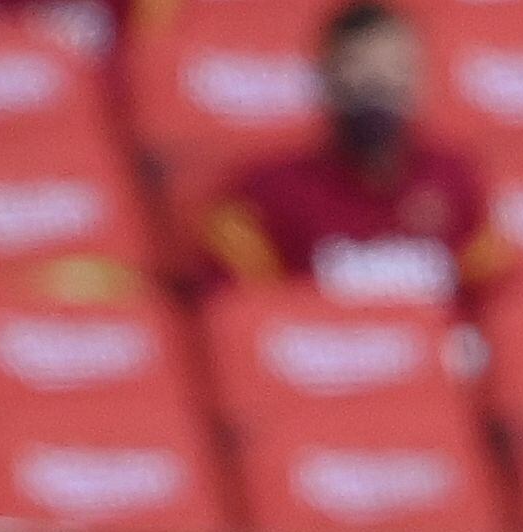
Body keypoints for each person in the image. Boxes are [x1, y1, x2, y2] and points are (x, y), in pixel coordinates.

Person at [199, 0, 506, 304]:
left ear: (420, 80)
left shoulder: (456, 181)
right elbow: (240, 314)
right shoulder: (269, 191)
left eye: (395, 70)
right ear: (326, 78)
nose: (378, 89)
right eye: (360, 71)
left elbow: (495, 299)